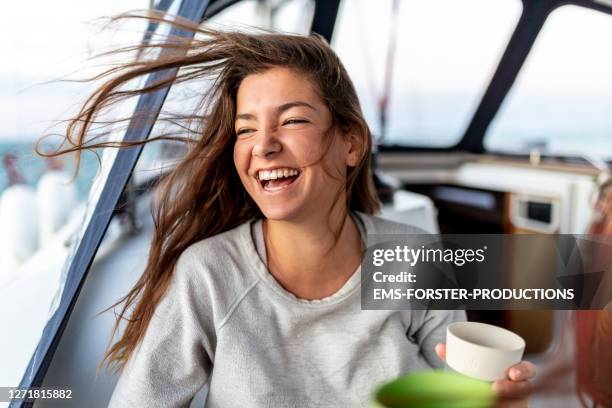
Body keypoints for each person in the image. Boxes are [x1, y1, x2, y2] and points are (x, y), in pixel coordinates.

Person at [39, 13, 535, 408]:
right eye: (246, 128)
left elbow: (457, 392)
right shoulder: (211, 274)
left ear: (351, 143)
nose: (264, 146)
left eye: (292, 120)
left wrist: (495, 398)